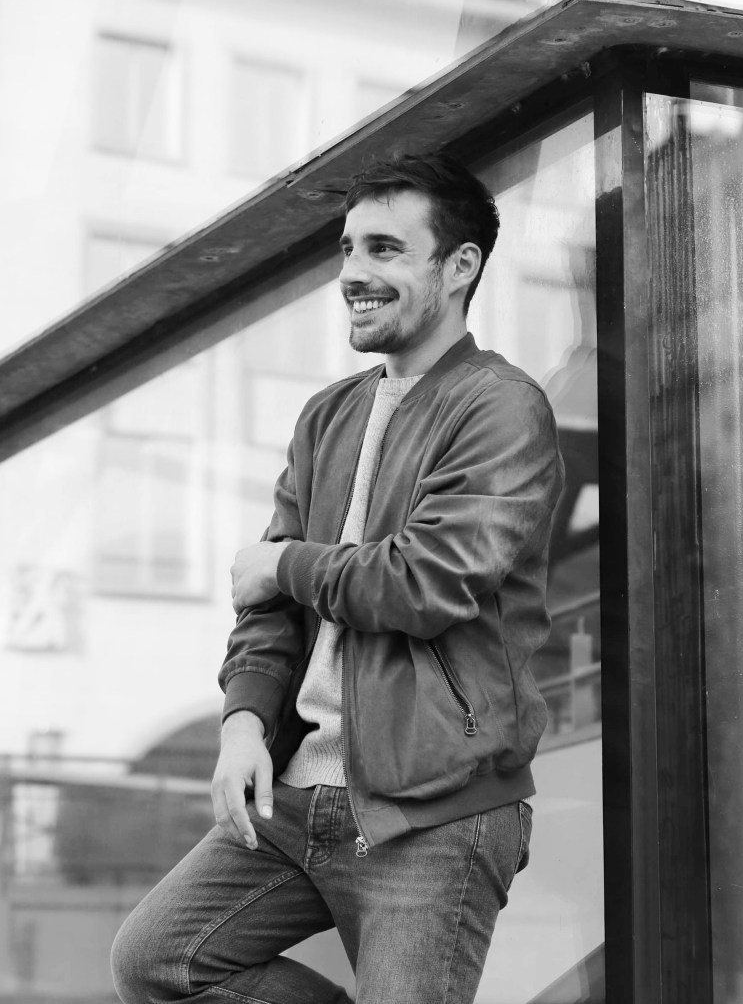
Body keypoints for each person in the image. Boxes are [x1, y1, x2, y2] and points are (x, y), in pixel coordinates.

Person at [111, 153, 564, 1004]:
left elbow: (426, 582)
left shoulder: (499, 406)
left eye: (385, 249)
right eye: (348, 248)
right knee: (160, 959)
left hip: (433, 807)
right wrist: (244, 721)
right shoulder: (327, 415)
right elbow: (266, 605)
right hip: (293, 796)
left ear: (458, 265)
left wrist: (286, 562)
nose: (353, 272)